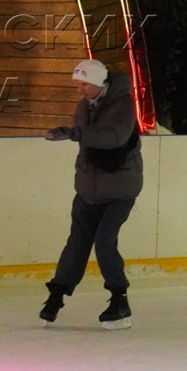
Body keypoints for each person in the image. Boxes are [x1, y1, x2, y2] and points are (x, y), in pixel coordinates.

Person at [40, 57, 142, 329]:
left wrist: (73, 133)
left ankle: (119, 300)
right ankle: (57, 294)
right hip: (88, 188)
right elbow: (86, 144)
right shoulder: (84, 106)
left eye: (84, 84)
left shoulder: (123, 104)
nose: (80, 90)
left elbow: (113, 137)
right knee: (77, 242)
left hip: (120, 188)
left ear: (98, 82)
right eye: (78, 84)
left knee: (104, 241)